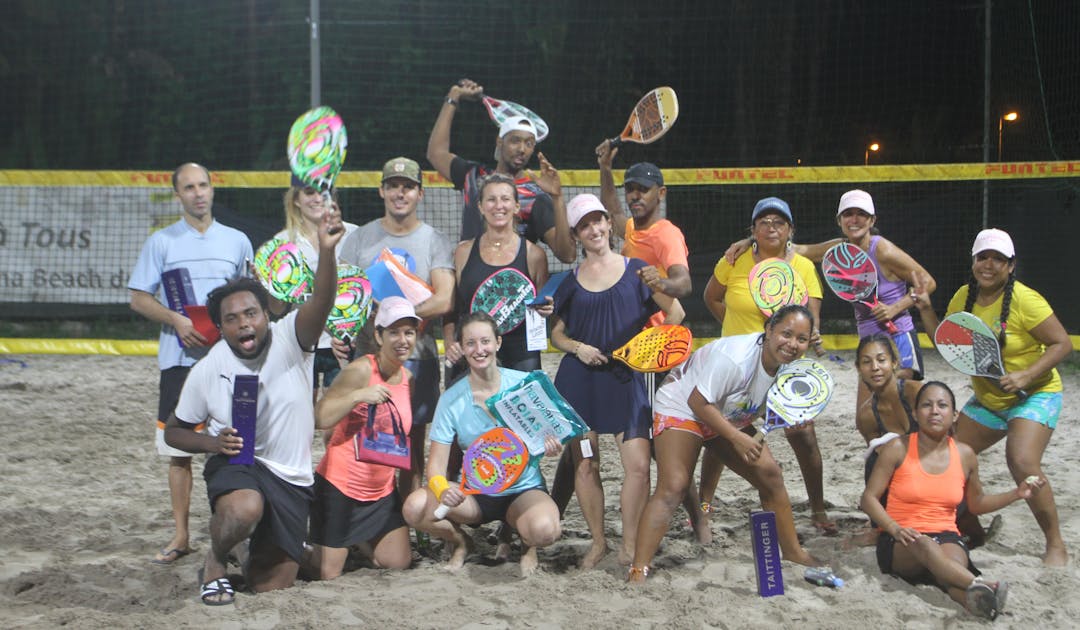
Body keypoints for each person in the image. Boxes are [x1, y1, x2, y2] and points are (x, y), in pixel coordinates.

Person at [163, 203, 344, 605]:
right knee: (244, 507)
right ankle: (214, 560)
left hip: (291, 479)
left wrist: (327, 252)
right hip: (239, 465)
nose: (244, 323)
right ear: (222, 327)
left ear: (266, 314)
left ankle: (252, 547)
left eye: (251, 313)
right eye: (232, 318)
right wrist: (213, 444)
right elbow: (174, 432)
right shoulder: (211, 368)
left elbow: (323, 302)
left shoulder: (291, 338)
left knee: (269, 586)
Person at [630, 305, 821, 581]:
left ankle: (793, 552)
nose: (792, 344)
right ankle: (638, 569)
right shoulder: (735, 358)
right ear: (769, 330)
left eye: (801, 339)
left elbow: (763, 407)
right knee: (673, 487)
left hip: (727, 411)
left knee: (771, 475)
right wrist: (735, 437)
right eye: (786, 334)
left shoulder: (792, 370)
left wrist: (788, 418)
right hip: (683, 404)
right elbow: (698, 401)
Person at [915, 228, 1071, 566]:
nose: (989, 264)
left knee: (1022, 460)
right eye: (983, 257)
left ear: (1011, 266)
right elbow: (948, 344)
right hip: (988, 400)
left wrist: (1026, 375)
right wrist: (926, 309)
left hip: (1035, 394)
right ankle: (973, 530)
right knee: (945, 455)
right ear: (973, 261)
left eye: (998, 259)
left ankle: (1056, 544)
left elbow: (1063, 344)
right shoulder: (963, 298)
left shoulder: (1026, 301)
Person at [548, 193, 685, 568]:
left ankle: (628, 544)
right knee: (585, 464)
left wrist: (644, 347)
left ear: (610, 224)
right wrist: (577, 348)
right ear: (576, 235)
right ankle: (598, 543)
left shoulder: (637, 270)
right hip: (581, 384)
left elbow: (676, 312)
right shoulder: (571, 282)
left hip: (626, 380)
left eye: (598, 221)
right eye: (584, 225)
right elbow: (556, 335)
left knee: (638, 467)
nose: (593, 229)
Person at [128, 162, 253, 565]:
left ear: (212, 189)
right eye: (188, 187)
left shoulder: (237, 241)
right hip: (179, 361)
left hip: (230, 360)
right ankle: (181, 535)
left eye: (203, 185)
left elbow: (249, 296)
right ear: (177, 194)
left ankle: (231, 531)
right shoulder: (161, 243)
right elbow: (138, 297)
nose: (197, 193)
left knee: (236, 445)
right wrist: (177, 320)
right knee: (176, 450)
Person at [701, 197, 832, 534]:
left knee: (803, 435)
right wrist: (737, 334)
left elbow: (810, 321)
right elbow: (711, 297)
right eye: (764, 221)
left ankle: (817, 510)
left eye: (779, 222)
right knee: (719, 436)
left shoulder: (802, 268)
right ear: (753, 229)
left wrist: (809, 337)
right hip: (739, 366)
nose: (771, 227)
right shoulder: (735, 259)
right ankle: (703, 506)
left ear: (790, 230)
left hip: (784, 367)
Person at [861, 381, 1045, 619]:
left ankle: (978, 603)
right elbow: (868, 498)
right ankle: (985, 585)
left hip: (946, 536)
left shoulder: (965, 454)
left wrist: (1016, 494)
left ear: (955, 415)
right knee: (926, 546)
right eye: (926, 405)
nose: (934, 411)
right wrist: (894, 529)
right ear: (916, 413)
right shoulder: (898, 447)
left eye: (942, 405)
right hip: (902, 539)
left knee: (947, 571)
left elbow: (977, 504)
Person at [402, 312, 562, 577]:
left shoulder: (523, 386)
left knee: (545, 531)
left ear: (498, 343)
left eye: (485, 341)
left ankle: (527, 545)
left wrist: (552, 446)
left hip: (522, 489)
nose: (479, 350)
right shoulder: (452, 399)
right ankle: (462, 543)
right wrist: (442, 489)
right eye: (471, 343)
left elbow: (548, 438)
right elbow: (436, 466)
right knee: (414, 508)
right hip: (475, 494)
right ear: (462, 348)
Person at [339, 157, 455, 494]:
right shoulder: (360, 239)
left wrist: (396, 319)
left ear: (420, 193)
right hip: (368, 355)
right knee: (365, 435)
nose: (399, 193)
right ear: (382, 191)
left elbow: (445, 299)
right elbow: (347, 296)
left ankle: (409, 516)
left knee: (412, 438)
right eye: (393, 186)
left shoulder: (434, 239)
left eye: (407, 186)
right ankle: (369, 508)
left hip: (417, 356)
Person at [304, 297, 420, 579]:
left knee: (397, 562)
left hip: (380, 490)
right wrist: (358, 396)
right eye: (394, 332)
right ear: (379, 336)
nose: (402, 340)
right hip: (341, 485)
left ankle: (355, 538)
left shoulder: (408, 379)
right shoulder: (360, 370)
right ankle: (286, 544)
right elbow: (320, 418)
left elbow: (407, 442)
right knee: (327, 574)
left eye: (409, 332)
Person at [426, 77, 576, 263]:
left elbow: (567, 255)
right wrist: (453, 96)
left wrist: (558, 198)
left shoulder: (536, 197)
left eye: (529, 143)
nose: (522, 149)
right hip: (469, 282)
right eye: (515, 140)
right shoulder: (473, 176)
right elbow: (435, 153)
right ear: (500, 141)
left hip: (510, 285)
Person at [442, 172, 554, 378]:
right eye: (491, 199)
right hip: (472, 354)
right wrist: (450, 341)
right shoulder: (463, 252)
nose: (498, 205)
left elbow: (543, 310)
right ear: (480, 207)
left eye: (505, 199)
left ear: (516, 206)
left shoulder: (534, 255)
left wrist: (547, 309)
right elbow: (451, 309)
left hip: (520, 357)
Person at [273, 174, 359, 398]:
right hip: (301, 343)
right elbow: (277, 308)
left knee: (338, 426)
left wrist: (352, 332)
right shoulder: (283, 242)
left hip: (345, 343)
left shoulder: (354, 235)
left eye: (323, 191)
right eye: (309, 192)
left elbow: (366, 293)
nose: (317, 198)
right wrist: (270, 286)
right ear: (296, 200)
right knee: (301, 422)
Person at [595, 141, 691, 304]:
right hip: (635, 326)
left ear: (661, 193)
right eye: (630, 189)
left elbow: (684, 284)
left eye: (643, 189)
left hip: (657, 328)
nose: (635, 195)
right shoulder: (632, 227)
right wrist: (605, 168)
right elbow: (613, 211)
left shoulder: (666, 234)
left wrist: (659, 282)